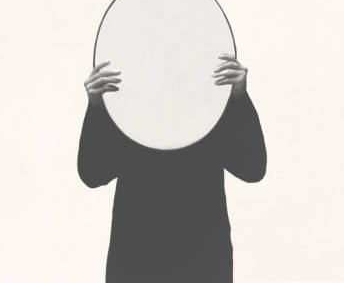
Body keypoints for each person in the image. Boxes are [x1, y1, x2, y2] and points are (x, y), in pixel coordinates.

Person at [78, 53, 266, 283]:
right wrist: (97, 106)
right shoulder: (131, 110)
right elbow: (93, 173)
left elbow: (252, 168)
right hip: (138, 259)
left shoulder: (208, 107)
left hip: (202, 260)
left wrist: (238, 97)